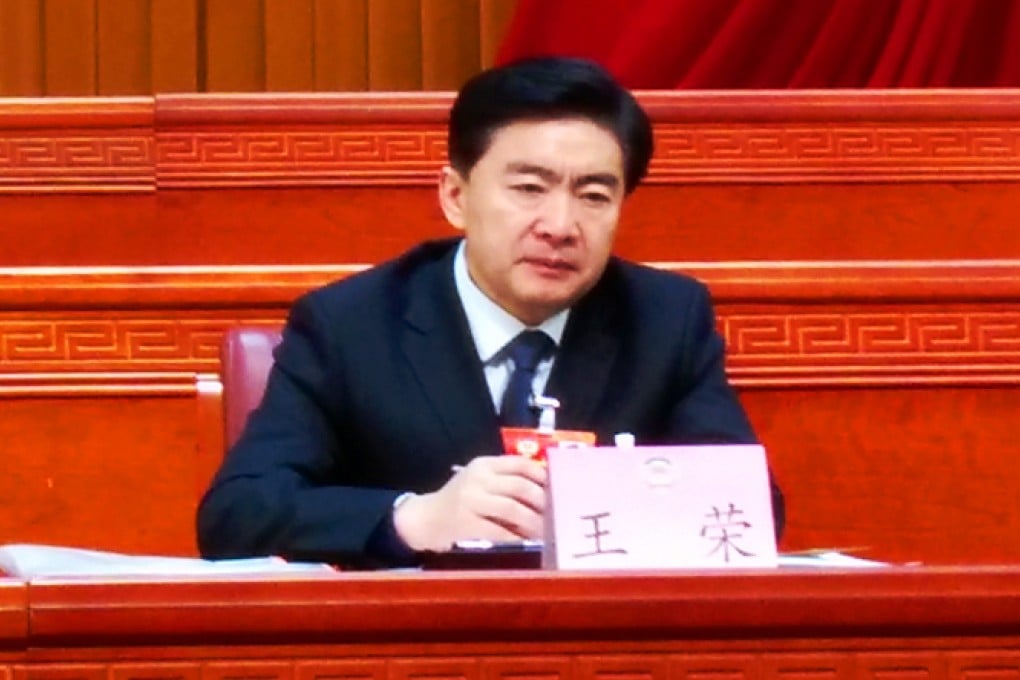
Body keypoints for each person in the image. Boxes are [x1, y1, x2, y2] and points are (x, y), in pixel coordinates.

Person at [197, 56, 785, 568]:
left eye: (594, 196)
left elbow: (752, 506)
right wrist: (414, 518)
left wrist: (599, 507)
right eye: (529, 188)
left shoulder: (666, 320)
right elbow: (236, 514)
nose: (560, 226)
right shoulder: (349, 324)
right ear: (456, 196)